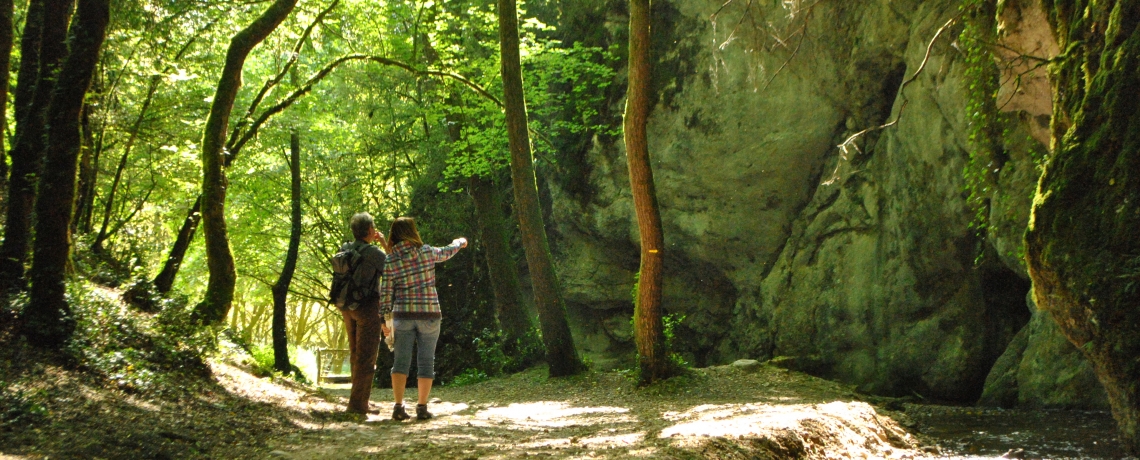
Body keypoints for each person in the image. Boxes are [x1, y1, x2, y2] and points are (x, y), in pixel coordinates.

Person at [379, 217, 466, 421]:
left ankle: (398, 407)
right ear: (412, 232)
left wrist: (384, 322)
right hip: (429, 314)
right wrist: (460, 242)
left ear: (394, 235)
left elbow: (385, 294)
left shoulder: (390, 260)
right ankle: (422, 407)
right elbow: (446, 252)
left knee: (400, 362)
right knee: (426, 362)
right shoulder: (426, 251)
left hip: (403, 316)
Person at [340, 212, 388, 415]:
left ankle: (359, 400)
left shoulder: (345, 248)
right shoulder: (375, 253)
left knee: (355, 354)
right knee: (366, 357)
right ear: (370, 230)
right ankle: (358, 405)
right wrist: (385, 243)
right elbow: (396, 269)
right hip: (367, 307)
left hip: (346, 306)